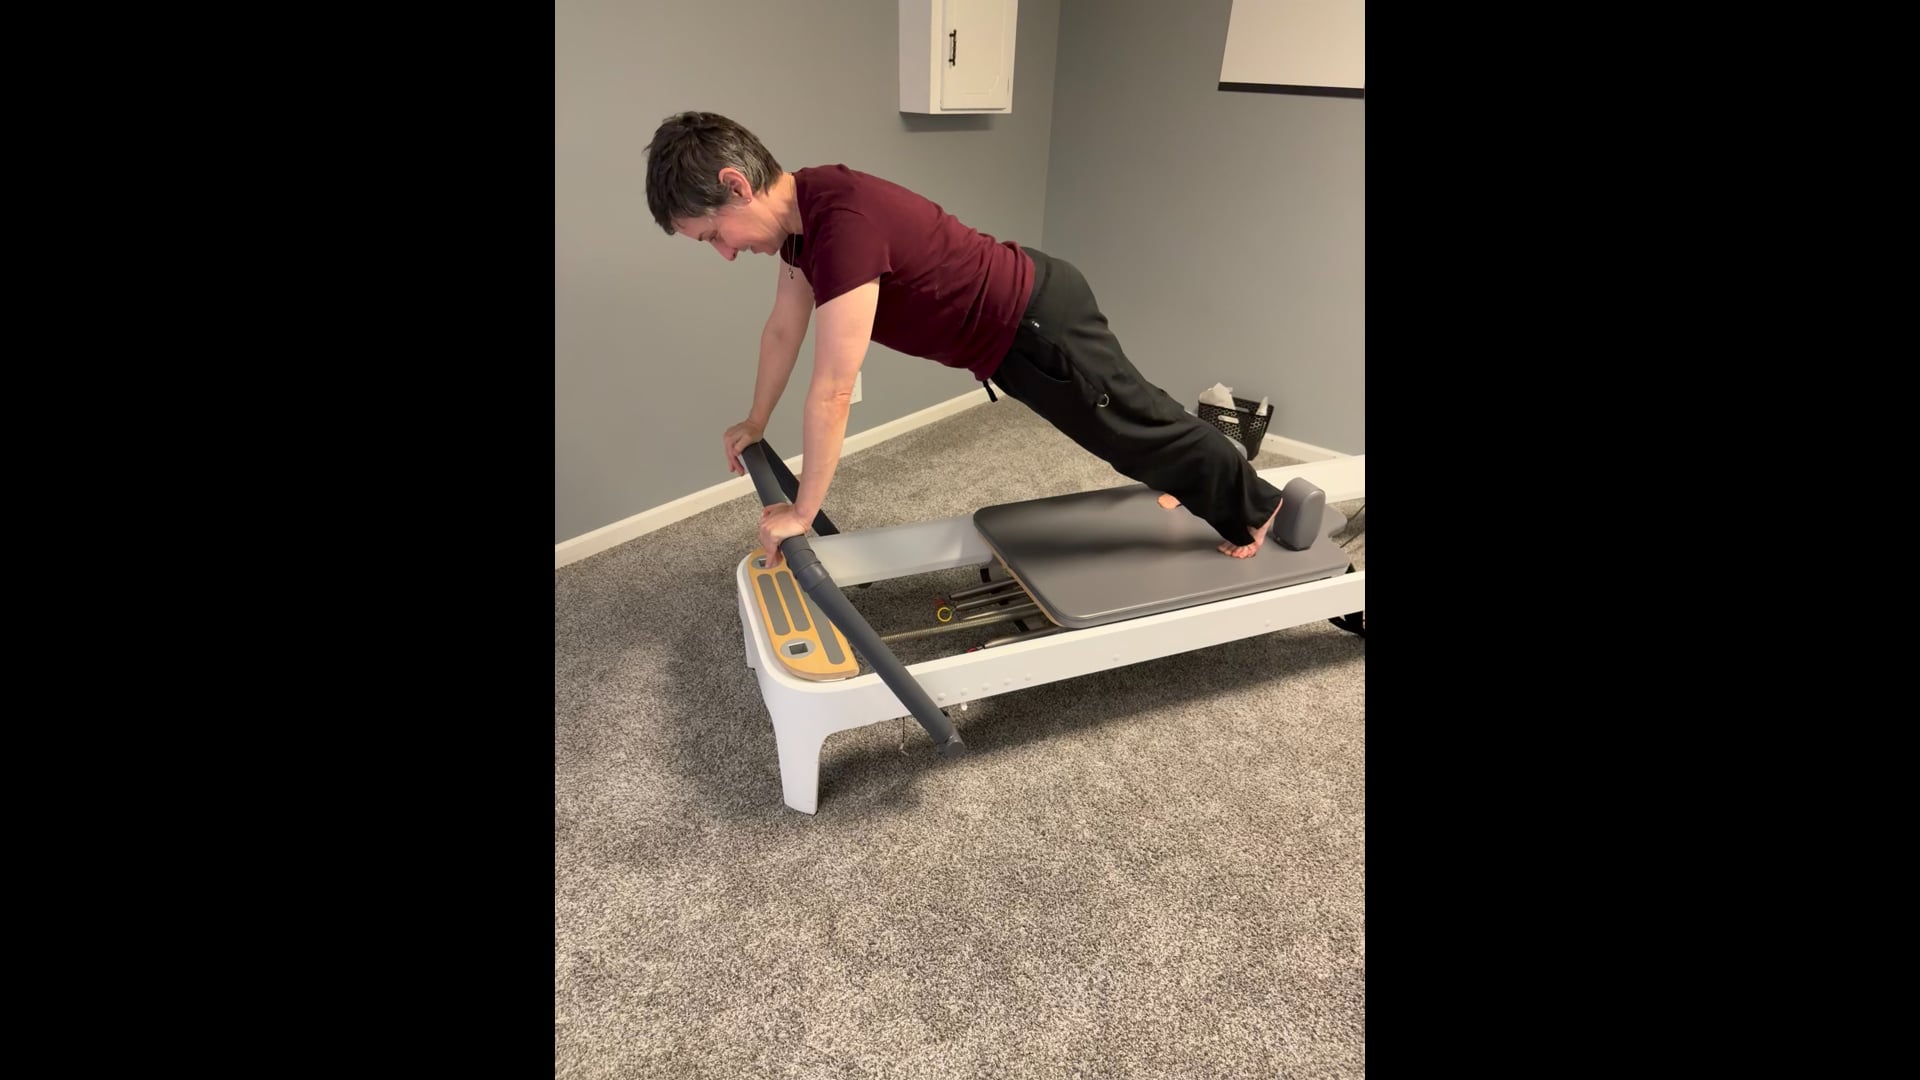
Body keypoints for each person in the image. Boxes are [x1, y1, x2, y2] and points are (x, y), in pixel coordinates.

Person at [643, 110, 1284, 567]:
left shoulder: (841, 227)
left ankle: (1259, 506)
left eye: (714, 235)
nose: (724, 254)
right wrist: (755, 421)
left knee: (1126, 429)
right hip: (1015, 327)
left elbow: (834, 390)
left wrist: (802, 512)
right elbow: (784, 328)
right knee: (1128, 414)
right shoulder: (803, 221)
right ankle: (1191, 469)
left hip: (1033, 323)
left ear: (736, 184)